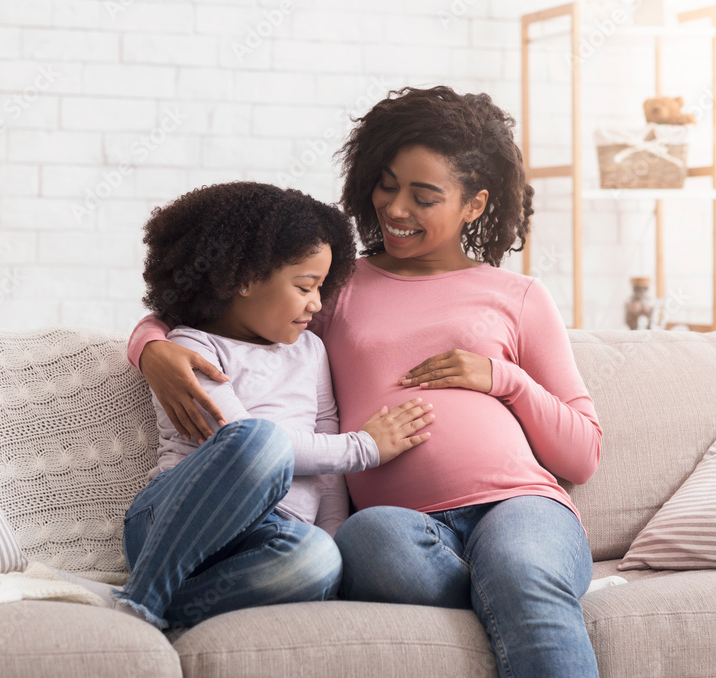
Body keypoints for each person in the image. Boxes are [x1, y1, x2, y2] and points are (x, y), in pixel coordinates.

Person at [127, 87, 602, 675]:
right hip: (396, 524)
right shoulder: (338, 286)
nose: (396, 209)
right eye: (386, 183)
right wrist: (150, 348)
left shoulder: (521, 297)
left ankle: (514, 582)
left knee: (522, 568)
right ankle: (499, 589)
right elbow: (217, 305)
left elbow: (581, 454)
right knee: (365, 546)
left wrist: (503, 379)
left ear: (474, 206)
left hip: (518, 502)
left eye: (424, 197)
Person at [93, 181, 435, 630]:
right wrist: (365, 447)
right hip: (174, 523)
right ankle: (141, 597)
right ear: (244, 279)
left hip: (265, 539)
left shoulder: (311, 351)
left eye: (322, 287)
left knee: (317, 561)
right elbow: (238, 438)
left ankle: (168, 606)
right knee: (261, 440)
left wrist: (330, 539)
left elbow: (326, 458)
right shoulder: (192, 346)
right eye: (305, 286)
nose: (317, 302)